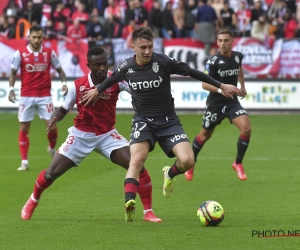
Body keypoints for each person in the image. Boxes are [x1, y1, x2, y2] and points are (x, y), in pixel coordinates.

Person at [81, 27, 240, 222]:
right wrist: (97, 90)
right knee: (136, 159)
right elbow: (111, 79)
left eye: (150, 47)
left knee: (188, 160)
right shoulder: (125, 67)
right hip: (143, 121)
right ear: (133, 47)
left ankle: (170, 173)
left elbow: (192, 72)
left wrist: (221, 85)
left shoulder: (163, 62)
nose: (147, 51)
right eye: (142, 48)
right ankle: (129, 201)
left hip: (168, 121)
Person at [20, 47, 162, 223]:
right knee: (51, 174)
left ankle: (148, 211)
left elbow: (137, 89)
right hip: (81, 135)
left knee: (137, 164)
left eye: (105, 63)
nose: (102, 68)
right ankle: (33, 200)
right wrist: (54, 119)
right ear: (89, 66)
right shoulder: (78, 85)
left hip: (107, 135)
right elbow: (64, 109)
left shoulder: (116, 80)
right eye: (97, 65)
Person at [185, 29, 251, 182]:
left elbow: (239, 69)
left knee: (246, 128)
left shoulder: (237, 56)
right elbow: (204, 84)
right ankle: (191, 163)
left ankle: (238, 163)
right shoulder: (213, 61)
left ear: (232, 41)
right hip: (215, 103)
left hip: (232, 101)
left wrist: (242, 86)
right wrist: (221, 89)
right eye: (220, 40)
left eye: (225, 40)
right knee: (205, 135)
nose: (222, 44)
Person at [8, 24, 68, 171]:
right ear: (29, 37)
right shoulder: (20, 53)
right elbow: (13, 72)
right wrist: (11, 89)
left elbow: (60, 69)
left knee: (52, 126)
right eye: (34, 37)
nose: (36, 40)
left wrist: (65, 83)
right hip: (26, 95)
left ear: (42, 37)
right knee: (24, 127)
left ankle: (51, 148)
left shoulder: (49, 52)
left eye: (39, 37)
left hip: (44, 96)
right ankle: (24, 162)